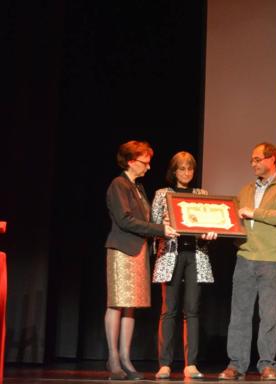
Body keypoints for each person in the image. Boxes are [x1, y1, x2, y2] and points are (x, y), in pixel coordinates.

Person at [218, 142, 276, 381]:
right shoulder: (245, 190)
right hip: (245, 256)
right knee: (240, 314)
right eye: (251, 160)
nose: (253, 164)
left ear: (271, 159)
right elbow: (234, 220)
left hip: (272, 258)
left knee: (269, 315)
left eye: (257, 159)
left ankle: (267, 365)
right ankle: (236, 364)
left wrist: (254, 212)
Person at [104, 140, 178, 381]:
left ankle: (126, 358)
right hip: (123, 250)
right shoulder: (119, 184)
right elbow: (125, 220)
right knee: (117, 303)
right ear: (131, 161)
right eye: (145, 162)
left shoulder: (138, 187)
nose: (148, 167)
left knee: (130, 305)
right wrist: (160, 230)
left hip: (138, 251)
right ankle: (113, 358)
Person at [152, 151, 218, 380]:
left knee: (192, 310)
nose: (187, 173)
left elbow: (209, 223)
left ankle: (191, 364)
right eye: (182, 168)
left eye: (190, 168)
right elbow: (153, 225)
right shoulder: (163, 194)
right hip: (171, 254)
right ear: (174, 171)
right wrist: (165, 224)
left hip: (195, 255)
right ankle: (165, 364)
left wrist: (209, 232)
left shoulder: (202, 194)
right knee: (168, 310)